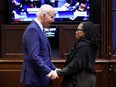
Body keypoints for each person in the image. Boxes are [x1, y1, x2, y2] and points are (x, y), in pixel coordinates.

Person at [20, 4, 59, 87]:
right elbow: (34, 57)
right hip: (34, 79)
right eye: (51, 17)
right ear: (44, 16)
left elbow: (44, 57)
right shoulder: (33, 30)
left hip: (40, 79)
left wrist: (55, 69)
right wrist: (49, 72)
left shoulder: (38, 28)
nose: (53, 20)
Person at [56, 21, 101, 87]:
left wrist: (58, 73)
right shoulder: (88, 44)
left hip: (81, 82)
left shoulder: (84, 46)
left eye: (78, 30)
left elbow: (74, 65)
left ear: (85, 32)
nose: (76, 32)